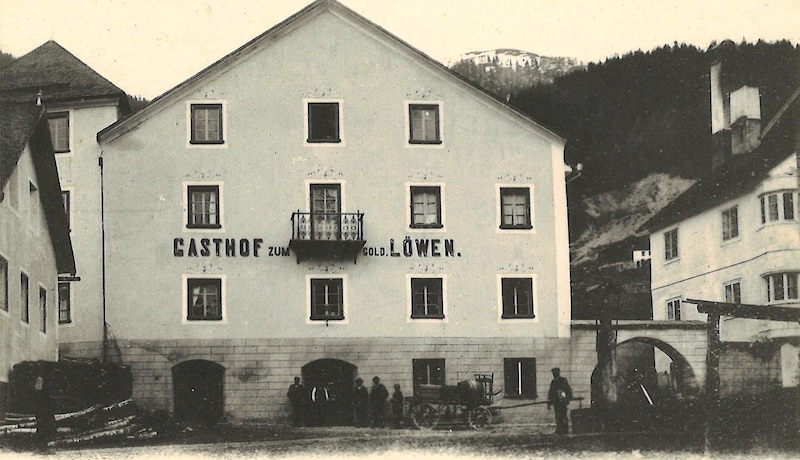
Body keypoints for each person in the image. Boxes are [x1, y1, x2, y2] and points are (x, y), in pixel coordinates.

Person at [547, 367, 573, 435]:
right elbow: (551, 392)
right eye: (553, 373)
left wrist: (566, 399)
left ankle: (565, 430)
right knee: (558, 416)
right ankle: (559, 430)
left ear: (558, 373)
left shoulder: (563, 380)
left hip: (562, 402)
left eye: (556, 373)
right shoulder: (553, 382)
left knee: (563, 416)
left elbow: (567, 390)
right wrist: (549, 402)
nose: (554, 374)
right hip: (556, 402)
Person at [33, 374, 56, 447]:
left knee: (45, 426)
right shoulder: (40, 393)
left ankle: (44, 443)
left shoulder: (44, 392)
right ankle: (42, 443)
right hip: (42, 411)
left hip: (45, 411)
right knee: (42, 426)